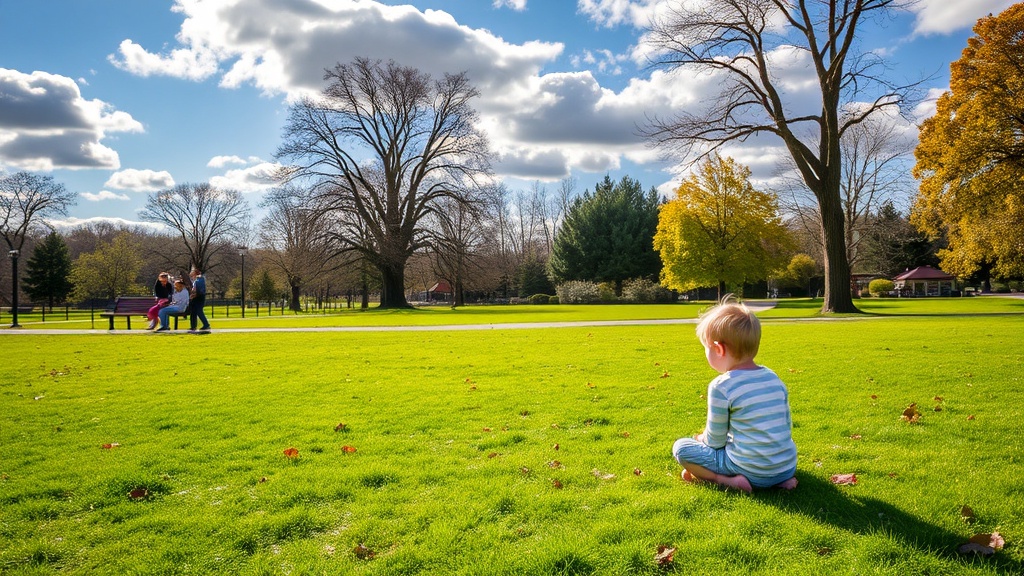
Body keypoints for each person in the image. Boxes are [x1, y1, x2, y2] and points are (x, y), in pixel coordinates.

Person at [672, 296, 797, 493]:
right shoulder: (773, 377)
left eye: (706, 348)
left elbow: (715, 440)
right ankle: (780, 480)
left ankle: (726, 481)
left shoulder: (722, 386)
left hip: (750, 470)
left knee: (681, 448)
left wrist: (701, 439)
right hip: (786, 466)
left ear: (719, 349)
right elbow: (786, 425)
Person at [189, 267, 210, 332]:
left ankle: (206, 324)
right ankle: (193, 326)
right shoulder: (196, 279)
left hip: (199, 297)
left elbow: (198, 289)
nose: (191, 272)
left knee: (199, 311)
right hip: (197, 297)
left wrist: (193, 293)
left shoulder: (199, 279)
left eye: (192, 271)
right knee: (195, 312)